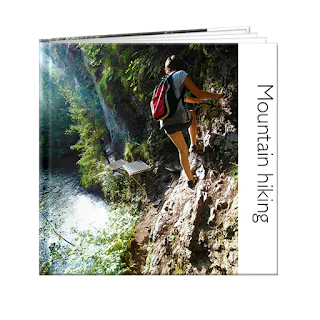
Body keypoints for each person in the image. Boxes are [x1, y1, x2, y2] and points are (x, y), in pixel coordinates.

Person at [160, 55, 224, 189]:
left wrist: (196, 101)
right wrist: (217, 96)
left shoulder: (163, 82)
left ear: (168, 68)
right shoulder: (180, 74)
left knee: (182, 151)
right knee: (193, 114)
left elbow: (181, 98)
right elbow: (199, 93)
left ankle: (190, 180)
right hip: (179, 118)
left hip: (165, 121)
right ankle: (193, 144)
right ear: (179, 65)